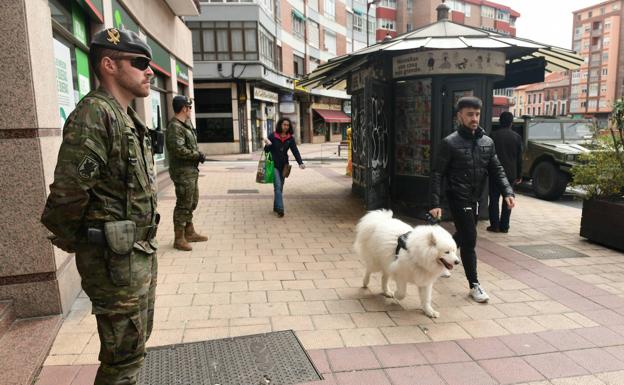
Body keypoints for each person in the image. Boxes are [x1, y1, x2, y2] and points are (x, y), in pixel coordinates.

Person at [41, 28, 158, 385]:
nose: (149, 71)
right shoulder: (95, 114)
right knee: (122, 361)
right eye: (139, 63)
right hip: (113, 261)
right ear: (109, 64)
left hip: (135, 254)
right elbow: (67, 195)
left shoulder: (126, 117)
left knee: (131, 352)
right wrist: (86, 243)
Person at [429, 96, 515, 303]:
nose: (474, 118)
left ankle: (440, 259)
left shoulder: (488, 142)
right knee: (470, 239)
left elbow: (497, 169)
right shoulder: (449, 143)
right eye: (469, 114)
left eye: (477, 114)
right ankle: (474, 285)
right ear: (460, 116)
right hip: (458, 197)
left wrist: (507, 191)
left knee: (464, 233)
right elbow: (437, 173)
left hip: (476, 198)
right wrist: (435, 203)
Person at [166, 95, 208, 251]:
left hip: (190, 170)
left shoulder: (185, 124)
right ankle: (179, 238)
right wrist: (197, 155)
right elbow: (178, 150)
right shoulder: (175, 127)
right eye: (189, 107)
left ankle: (189, 232)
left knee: (192, 201)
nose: (190, 110)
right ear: (184, 108)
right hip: (182, 172)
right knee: (183, 203)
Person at [488, 111, 523, 233]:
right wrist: (519, 175)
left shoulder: (492, 135)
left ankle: (495, 225)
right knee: (508, 200)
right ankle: (505, 226)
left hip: (495, 173)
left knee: (493, 199)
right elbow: (519, 158)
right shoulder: (517, 137)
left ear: (500, 122)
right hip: (510, 174)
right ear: (511, 123)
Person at [263, 117, 305, 217]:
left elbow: (295, 151)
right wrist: (268, 145)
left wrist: (300, 162)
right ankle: (280, 209)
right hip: (273, 164)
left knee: (280, 188)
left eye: (287, 125)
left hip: (284, 165)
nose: (286, 127)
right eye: (284, 124)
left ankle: (275, 207)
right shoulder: (273, 136)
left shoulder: (290, 138)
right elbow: (266, 151)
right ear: (280, 125)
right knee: (277, 185)